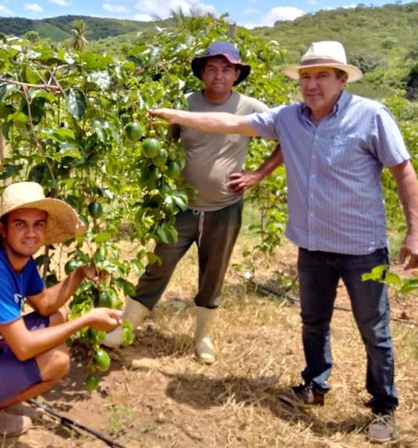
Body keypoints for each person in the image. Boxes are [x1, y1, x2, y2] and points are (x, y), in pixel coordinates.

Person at [148, 40, 418, 443]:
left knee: (373, 327)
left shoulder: (370, 116)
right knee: (313, 320)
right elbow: (227, 123)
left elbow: (404, 172)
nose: (312, 84)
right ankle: (314, 385)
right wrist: (172, 114)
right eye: (305, 76)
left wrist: (415, 232)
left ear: (342, 79)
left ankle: (383, 406)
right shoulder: (288, 118)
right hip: (311, 243)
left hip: (361, 246)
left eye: (322, 76)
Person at [102, 41, 283, 365]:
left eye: (226, 69)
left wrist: (258, 174)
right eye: (212, 68)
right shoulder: (184, 104)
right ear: (201, 73)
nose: (219, 75)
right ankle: (125, 329)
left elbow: (287, 137)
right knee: (158, 265)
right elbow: (165, 147)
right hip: (181, 207)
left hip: (225, 208)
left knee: (213, 273)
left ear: (237, 74)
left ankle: (202, 337)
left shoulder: (251, 107)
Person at [0, 181, 122, 437]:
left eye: (38, 224)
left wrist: (78, 275)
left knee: (58, 316)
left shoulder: (21, 261)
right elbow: (23, 348)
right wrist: (87, 320)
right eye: (20, 224)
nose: (30, 233)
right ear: (3, 228)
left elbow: (46, 305)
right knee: (57, 361)